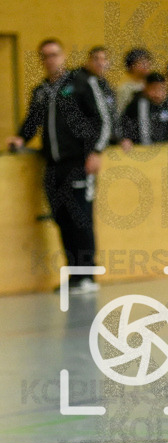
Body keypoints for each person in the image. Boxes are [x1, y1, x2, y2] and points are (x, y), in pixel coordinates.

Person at [7, 39, 104, 293]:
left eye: (54, 54)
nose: (50, 60)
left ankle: (87, 276)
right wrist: (20, 137)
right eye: (45, 56)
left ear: (63, 55)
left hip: (79, 163)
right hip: (53, 165)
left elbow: (102, 119)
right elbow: (32, 121)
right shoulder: (41, 91)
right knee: (62, 218)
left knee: (80, 217)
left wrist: (96, 151)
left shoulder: (82, 83)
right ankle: (74, 276)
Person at [75, 46, 117, 150]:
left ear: (108, 63)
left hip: (106, 145)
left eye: (104, 59)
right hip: (87, 146)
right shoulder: (82, 83)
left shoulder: (107, 87)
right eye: (96, 59)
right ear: (87, 62)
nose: (100, 63)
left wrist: (119, 138)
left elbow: (112, 116)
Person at [119, 73, 168, 147]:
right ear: (146, 88)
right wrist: (125, 139)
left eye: (162, 89)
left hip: (165, 149)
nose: (158, 94)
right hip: (141, 150)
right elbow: (123, 125)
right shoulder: (136, 104)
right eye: (154, 89)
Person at [116, 47, 152, 113]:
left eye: (147, 61)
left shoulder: (152, 86)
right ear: (131, 66)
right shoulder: (124, 89)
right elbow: (121, 112)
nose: (146, 65)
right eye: (142, 62)